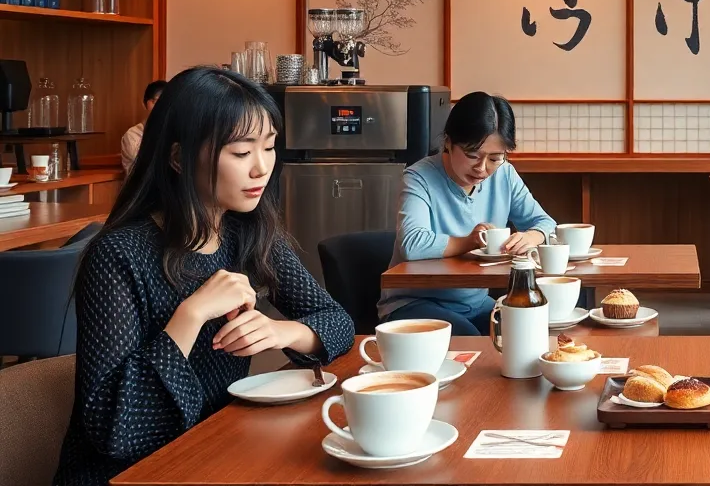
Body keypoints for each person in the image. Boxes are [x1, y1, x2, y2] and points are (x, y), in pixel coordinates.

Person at [54, 67, 354, 486]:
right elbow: (114, 430)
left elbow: (337, 321)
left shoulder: (247, 233)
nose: (262, 168)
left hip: (213, 452)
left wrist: (282, 332)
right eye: (241, 152)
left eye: (268, 147)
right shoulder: (118, 255)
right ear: (178, 157)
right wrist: (190, 315)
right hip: (129, 473)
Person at [378, 91, 554, 336]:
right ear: (448, 143)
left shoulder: (505, 175)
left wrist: (532, 236)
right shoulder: (420, 177)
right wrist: (469, 241)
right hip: (414, 303)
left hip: (474, 302)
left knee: (528, 331)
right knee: (473, 341)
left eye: (495, 158)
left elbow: (545, 222)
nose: (482, 168)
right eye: (472, 155)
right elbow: (412, 244)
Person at [120, 79, 167, 173]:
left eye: (165, 102)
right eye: (155, 102)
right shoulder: (132, 135)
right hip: (142, 186)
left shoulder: (174, 130)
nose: (160, 107)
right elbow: (147, 165)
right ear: (144, 103)